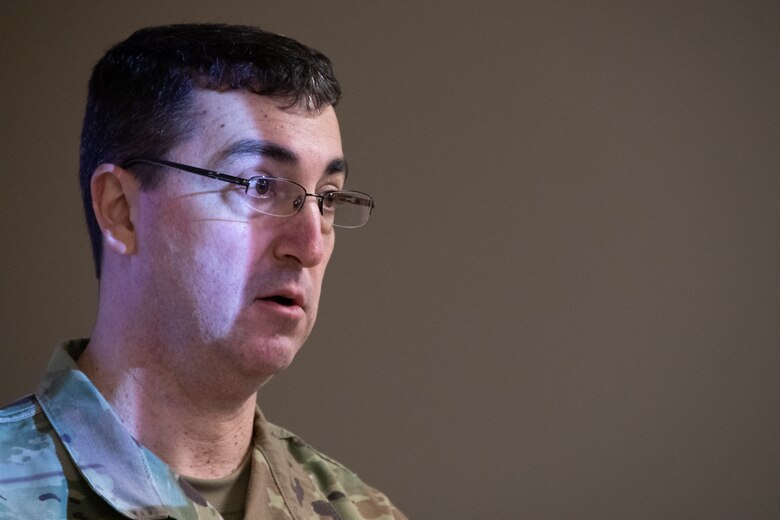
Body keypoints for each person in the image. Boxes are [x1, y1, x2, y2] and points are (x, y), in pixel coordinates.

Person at [0, 24, 406, 520]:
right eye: (260, 185)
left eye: (329, 198)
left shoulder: (365, 513)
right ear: (122, 210)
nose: (311, 244)